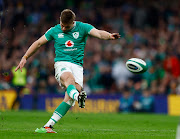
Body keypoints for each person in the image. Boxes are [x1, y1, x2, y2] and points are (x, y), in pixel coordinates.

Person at [15, 9, 120, 133]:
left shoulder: (83, 27)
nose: (63, 28)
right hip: (62, 63)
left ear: (73, 22)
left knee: (69, 99)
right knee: (69, 80)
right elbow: (38, 43)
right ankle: (78, 96)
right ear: (60, 20)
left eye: (67, 26)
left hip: (78, 67)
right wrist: (25, 57)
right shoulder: (54, 30)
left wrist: (109, 36)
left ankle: (48, 126)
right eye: (62, 25)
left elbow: (98, 33)